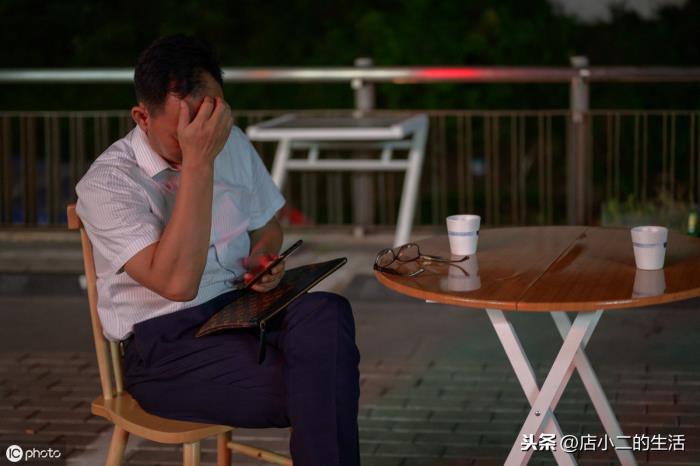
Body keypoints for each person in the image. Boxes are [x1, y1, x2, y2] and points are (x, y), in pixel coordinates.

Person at [75, 34, 361, 466]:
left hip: (240, 311)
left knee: (327, 312)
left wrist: (262, 258)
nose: (205, 138)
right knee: (322, 382)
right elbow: (177, 284)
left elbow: (267, 226)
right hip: (165, 346)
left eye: (211, 122)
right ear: (142, 118)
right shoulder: (109, 184)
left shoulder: (231, 141)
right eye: (186, 133)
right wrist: (199, 162)